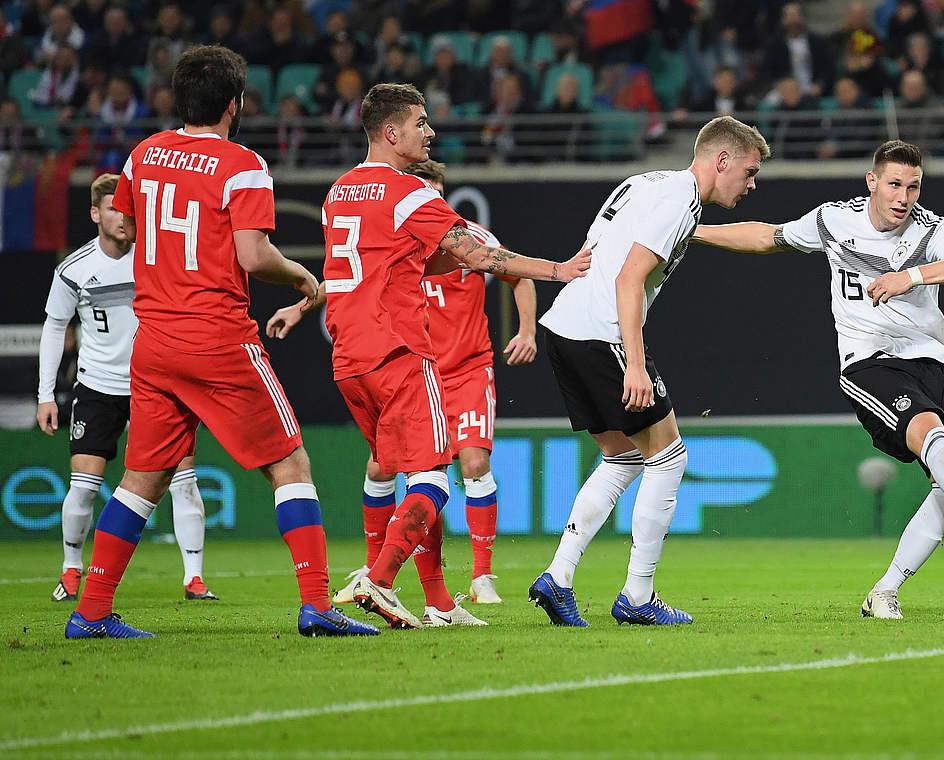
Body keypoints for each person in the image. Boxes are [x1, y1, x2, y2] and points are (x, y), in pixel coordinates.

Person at [64, 45, 379, 640]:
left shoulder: (142, 156)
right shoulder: (243, 165)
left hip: (153, 341)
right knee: (290, 462)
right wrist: (302, 276)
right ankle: (316, 603)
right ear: (235, 103)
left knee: (144, 477)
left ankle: (91, 612)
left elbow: (128, 226)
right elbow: (254, 256)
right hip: (216, 337)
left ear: (177, 98)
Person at [691, 140, 944, 620]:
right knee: (931, 438)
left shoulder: (931, 229)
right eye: (894, 184)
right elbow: (769, 235)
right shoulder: (834, 220)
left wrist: (910, 277)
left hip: (935, 361)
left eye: (913, 186)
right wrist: (696, 231)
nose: (904, 197)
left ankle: (885, 590)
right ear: (872, 182)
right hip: (870, 360)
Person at [319, 82, 589, 629]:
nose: (431, 132)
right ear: (391, 132)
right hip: (398, 351)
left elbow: (409, 265)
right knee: (435, 483)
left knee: (419, 470)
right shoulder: (408, 193)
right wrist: (559, 270)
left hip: (349, 356)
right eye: (421, 122)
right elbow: (479, 254)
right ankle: (380, 580)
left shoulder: (339, 192)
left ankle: (440, 602)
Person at [267, 158, 539, 615]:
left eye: (427, 193)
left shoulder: (467, 239)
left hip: (466, 369)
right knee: (386, 470)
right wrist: (300, 307)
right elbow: (350, 281)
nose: (420, 200)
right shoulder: (395, 239)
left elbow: (517, 274)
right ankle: (386, 577)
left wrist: (527, 331)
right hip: (414, 368)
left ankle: (478, 575)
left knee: (469, 462)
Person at [529, 115, 769, 628]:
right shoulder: (679, 200)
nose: (751, 185)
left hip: (565, 326)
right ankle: (638, 596)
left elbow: (592, 251)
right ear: (721, 159)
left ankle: (559, 576)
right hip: (604, 332)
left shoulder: (644, 181)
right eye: (748, 173)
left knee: (622, 457)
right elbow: (629, 276)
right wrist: (635, 366)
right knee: (670, 456)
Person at [39, 174, 218, 605]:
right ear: (95, 214)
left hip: (155, 385)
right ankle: (71, 570)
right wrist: (46, 393)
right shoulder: (75, 269)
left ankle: (194, 578)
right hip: (98, 387)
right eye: (114, 208)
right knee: (83, 485)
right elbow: (55, 326)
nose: (123, 216)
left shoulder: (156, 259)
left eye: (128, 207)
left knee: (184, 481)